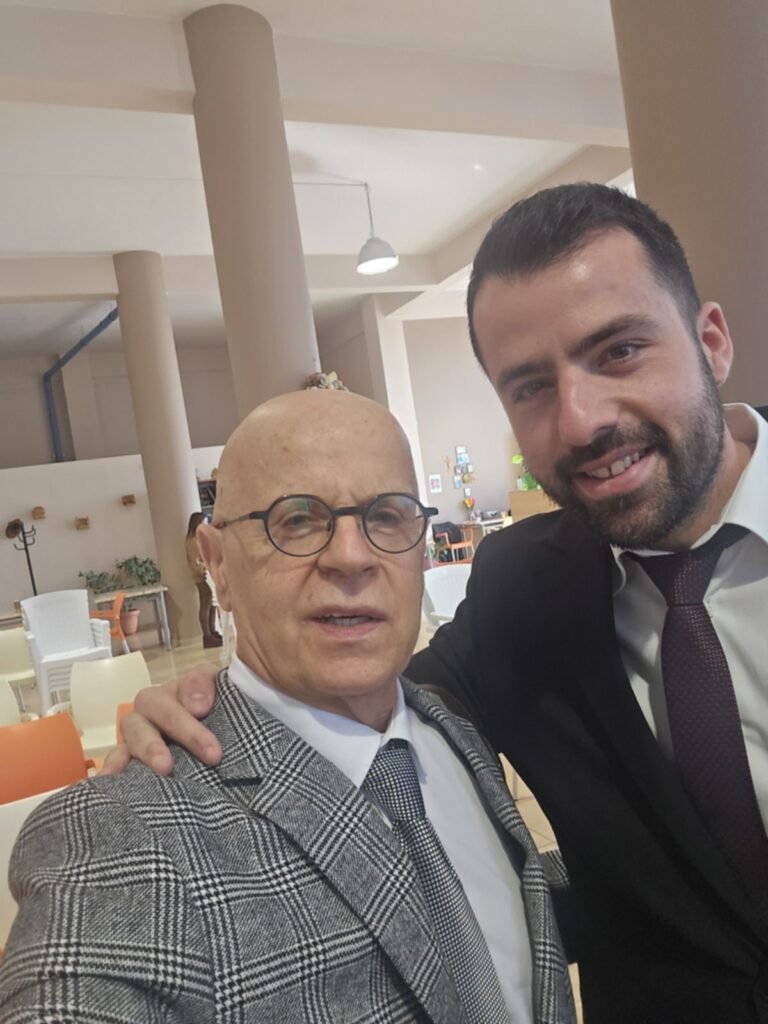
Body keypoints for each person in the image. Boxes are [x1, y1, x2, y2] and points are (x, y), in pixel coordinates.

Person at [115, 184, 768, 1023]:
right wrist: (207, 706)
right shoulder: (524, 586)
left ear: (712, 341)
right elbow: (368, 698)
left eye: (619, 351)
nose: (580, 420)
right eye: (530, 387)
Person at [0, 391, 575, 1024]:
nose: (352, 557)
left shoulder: (453, 729)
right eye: (297, 519)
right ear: (217, 563)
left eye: (387, 515)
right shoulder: (119, 838)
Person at [186, 510, 222, 648]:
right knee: (206, 605)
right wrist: (208, 566)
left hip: (207, 575)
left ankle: (213, 631)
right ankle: (207, 635)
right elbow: (196, 563)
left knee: (212, 603)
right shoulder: (193, 542)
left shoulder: (198, 540)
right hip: (202, 577)